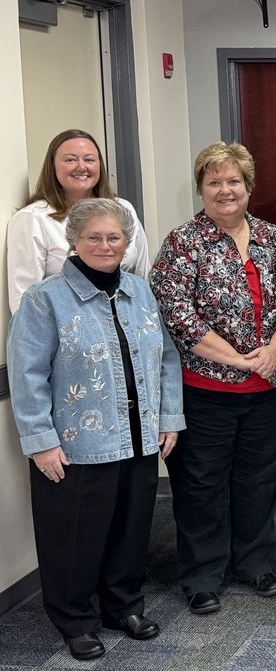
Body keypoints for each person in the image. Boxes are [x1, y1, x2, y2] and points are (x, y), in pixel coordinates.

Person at [7, 198, 184, 661]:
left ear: (126, 243)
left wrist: (168, 419)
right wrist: (40, 442)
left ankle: (122, 606)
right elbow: (26, 376)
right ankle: (75, 620)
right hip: (76, 444)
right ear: (75, 241)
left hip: (139, 437)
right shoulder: (43, 300)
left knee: (130, 528)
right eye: (94, 237)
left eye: (114, 237)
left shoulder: (141, 292)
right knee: (74, 537)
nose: (105, 245)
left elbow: (166, 358)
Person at [150, 142, 276, 615]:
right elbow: (176, 315)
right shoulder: (182, 243)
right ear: (200, 189)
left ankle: (254, 564)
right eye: (214, 181)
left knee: (258, 480)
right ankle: (201, 575)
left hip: (271, 389)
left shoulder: (273, 238)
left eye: (233, 180)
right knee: (201, 485)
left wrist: (274, 351)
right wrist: (239, 360)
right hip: (206, 391)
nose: (224, 190)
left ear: (248, 186)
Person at [7, 129, 149, 313]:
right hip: (67, 332)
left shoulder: (124, 209)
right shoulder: (32, 219)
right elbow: (24, 303)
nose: (81, 167)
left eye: (89, 159)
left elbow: (142, 279)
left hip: (126, 325)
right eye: (70, 160)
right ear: (53, 167)